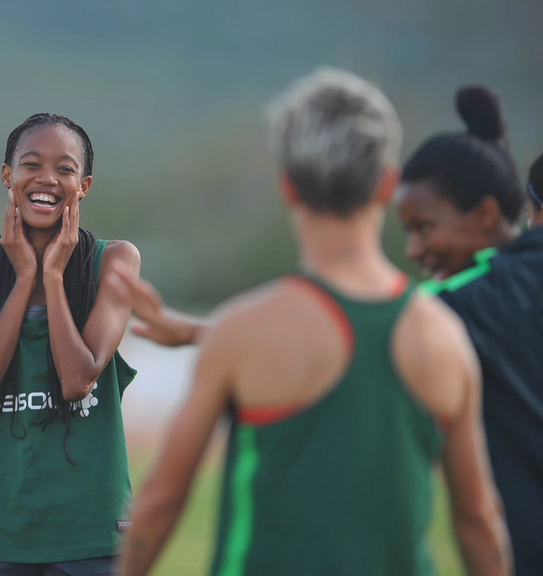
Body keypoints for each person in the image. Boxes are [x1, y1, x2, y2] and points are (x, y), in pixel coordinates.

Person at [114, 69, 510, 576]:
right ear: (387, 184)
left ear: (289, 188)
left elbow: (162, 500)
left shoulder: (243, 332)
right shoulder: (443, 337)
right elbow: (478, 521)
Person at [0, 113, 140, 575]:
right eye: (31, 164)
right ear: (7, 175)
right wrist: (22, 279)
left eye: (65, 169)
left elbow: (77, 380)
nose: (47, 179)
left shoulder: (113, 260)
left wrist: (52, 277)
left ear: (84, 186)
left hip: (89, 529)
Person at [395, 88, 543, 576]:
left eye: (423, 227)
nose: (413, 250)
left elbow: (364, 324)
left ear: (485, 214)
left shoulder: (480, 301)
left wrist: (207, 335)